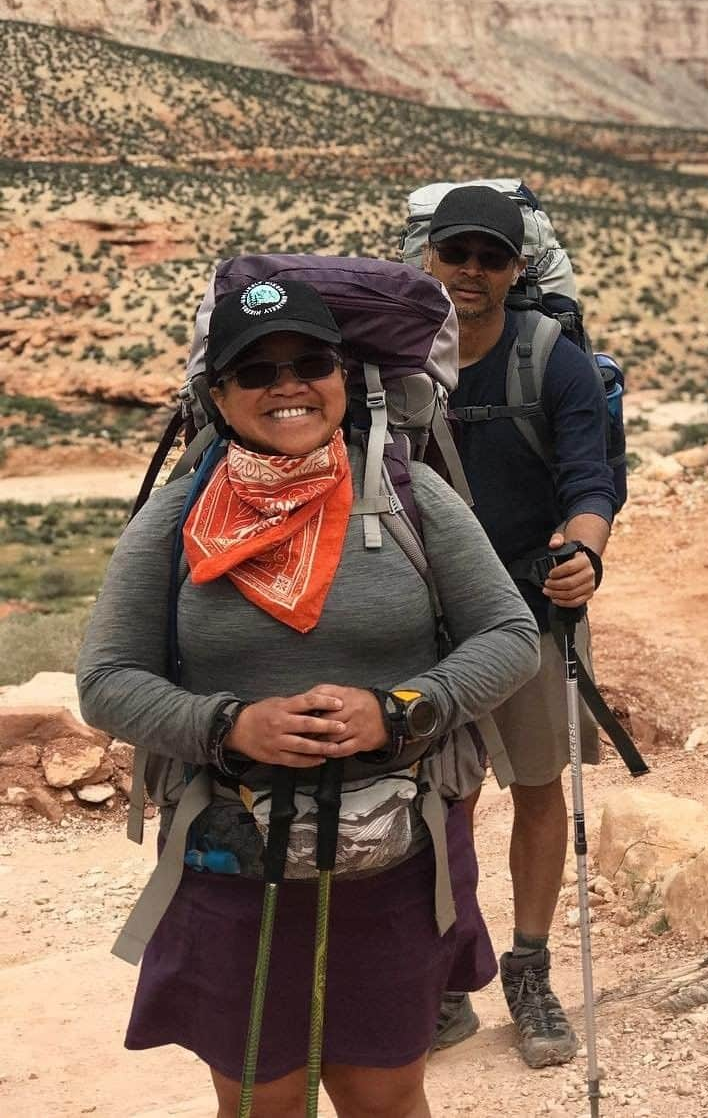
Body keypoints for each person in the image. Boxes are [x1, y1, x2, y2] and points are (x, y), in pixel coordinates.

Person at [77, 277, 539, 1118]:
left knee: (386, 1094)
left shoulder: (410, 494)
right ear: (217, 396)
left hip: (395, 854)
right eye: (255, 371)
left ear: (344, 376)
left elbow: (510, 635)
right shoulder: (177, 514)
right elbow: (105, 680)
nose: (285, 384)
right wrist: (230, 724)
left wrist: (402, 708)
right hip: (230, 858)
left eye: (308, 362)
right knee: (263, 1097)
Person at [421, 186, 617, 1069]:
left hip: (532, 610)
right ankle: (442, 976)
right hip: (425, 620)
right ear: (429, 255)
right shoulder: (396, 357)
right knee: (430, 801)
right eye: (457, 252)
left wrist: (584, 554)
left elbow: (591, 479)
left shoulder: (554, 360)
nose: (471, 270)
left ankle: (528, 967)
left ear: (517, 266)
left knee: (538, 788)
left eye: (490, 257)